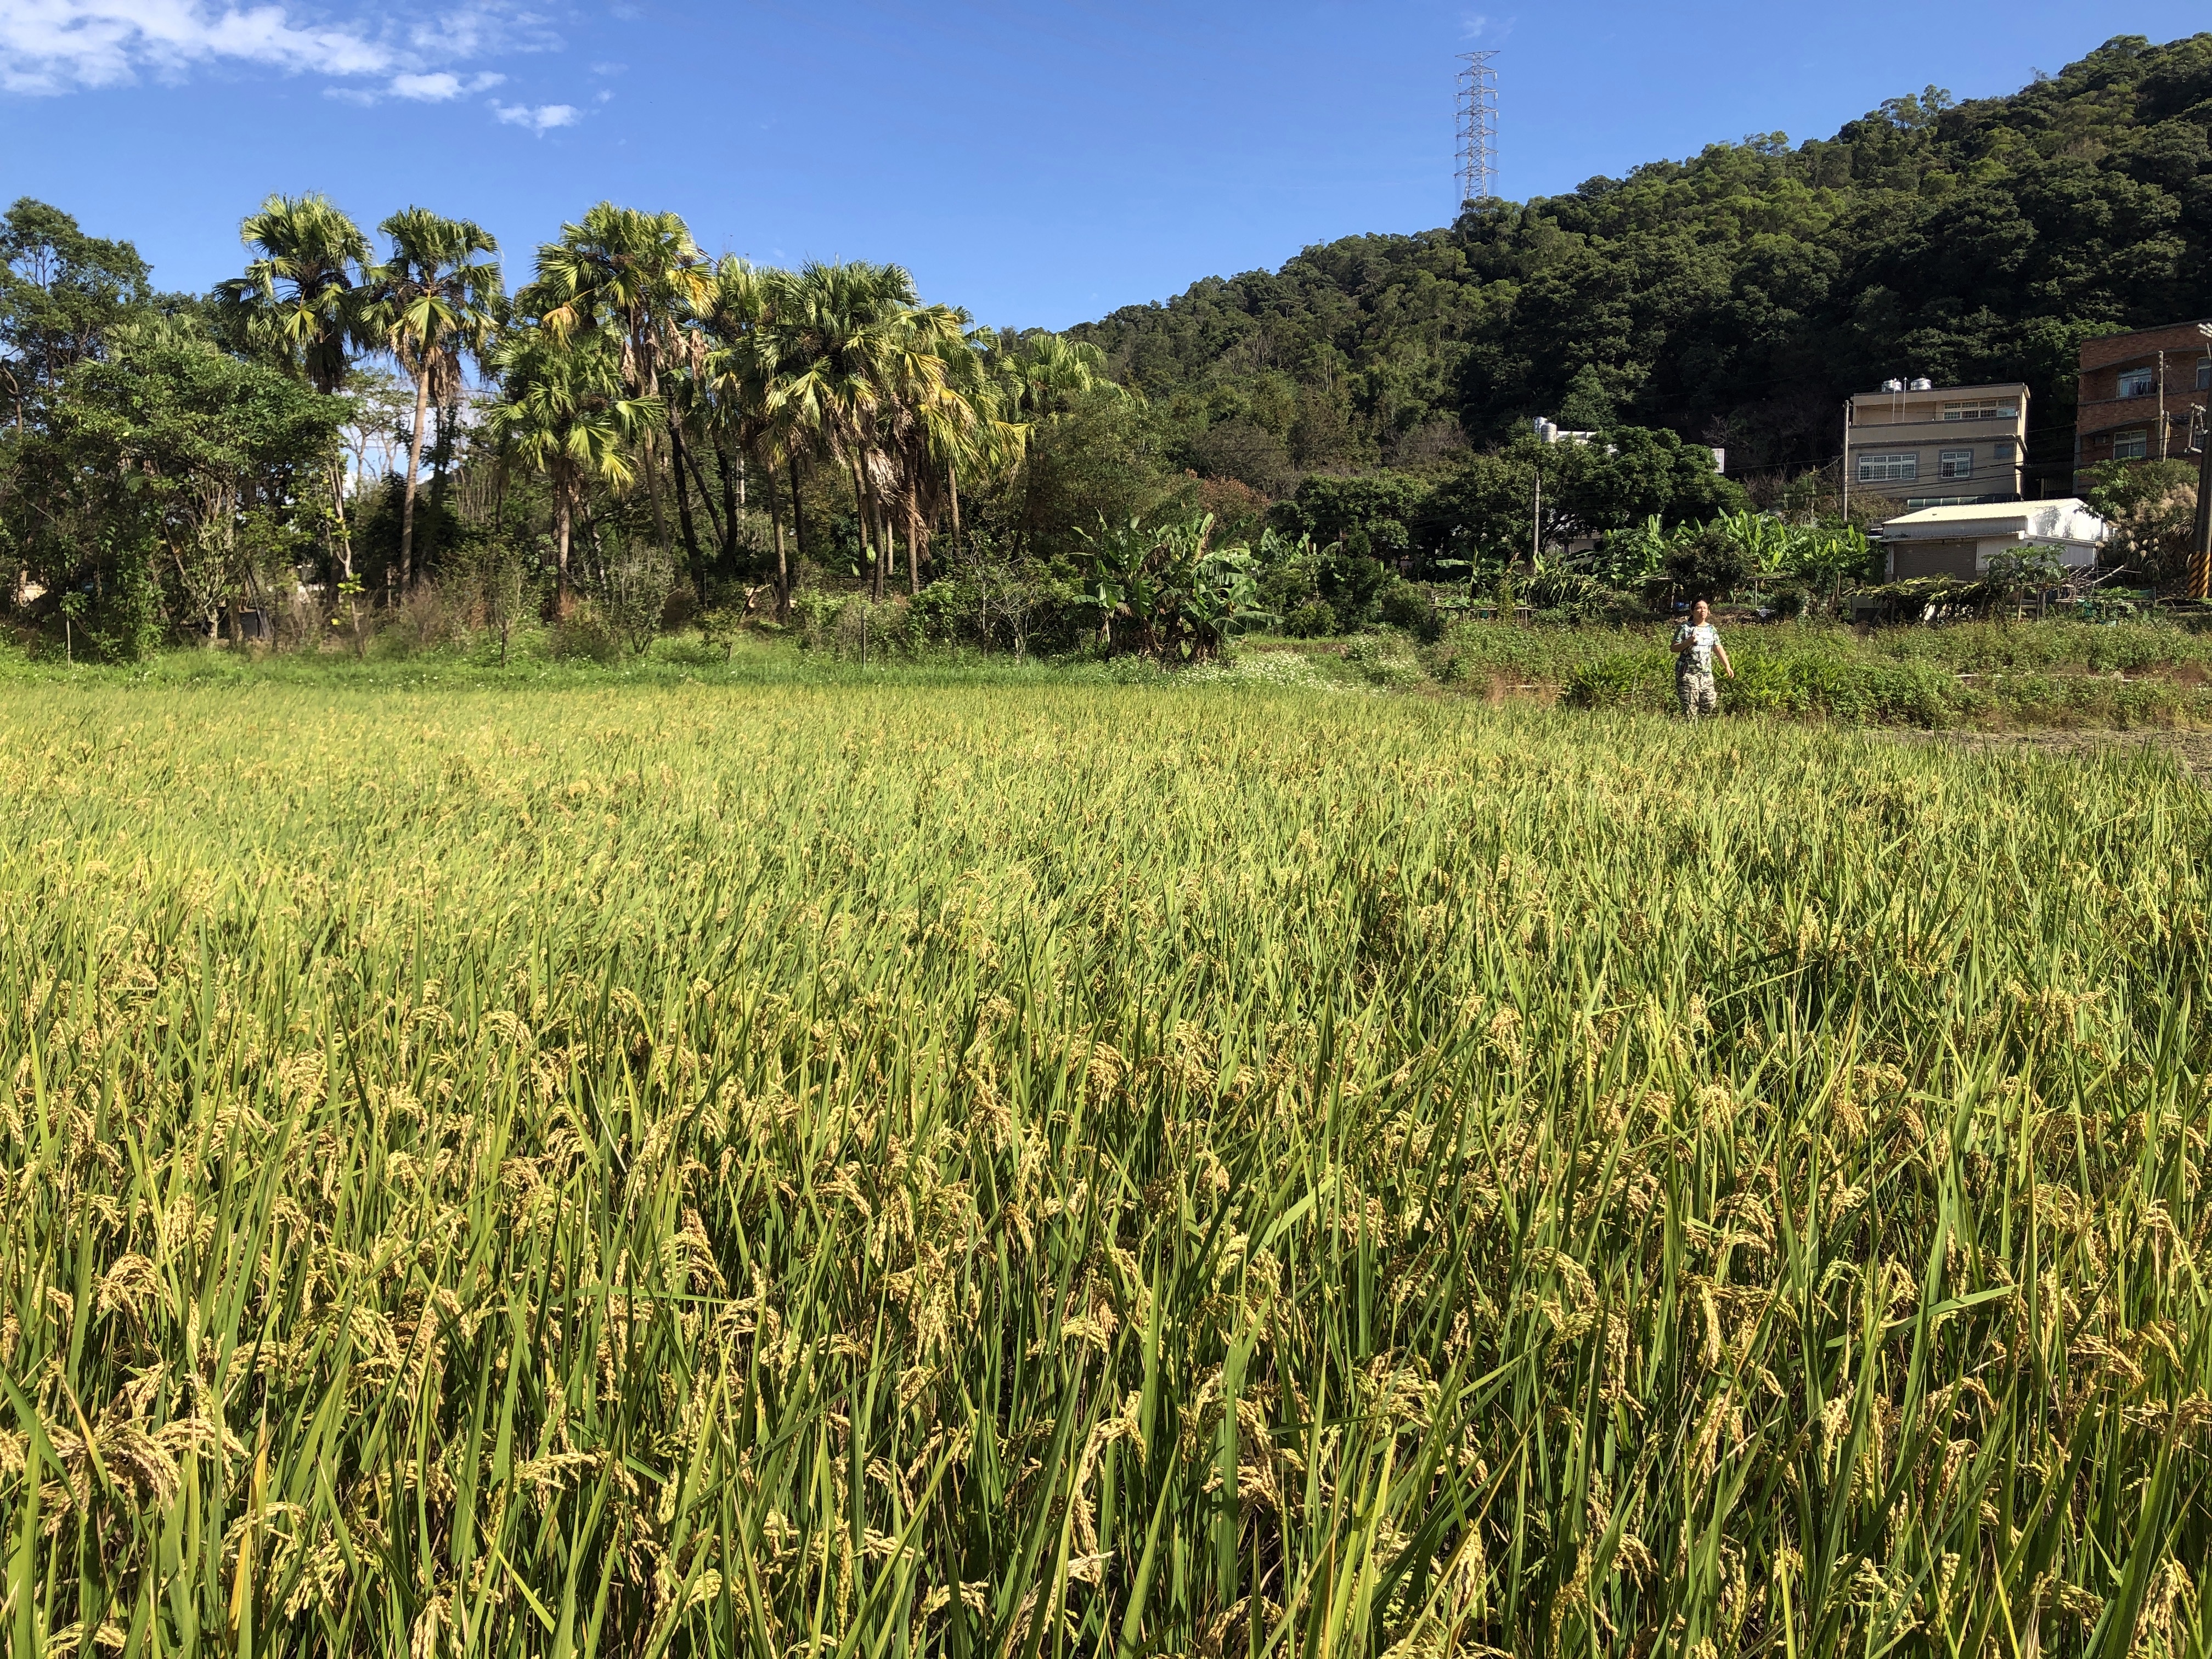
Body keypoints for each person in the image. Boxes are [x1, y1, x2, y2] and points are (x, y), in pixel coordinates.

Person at [1671, 599, 1734, 720]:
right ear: (1692, 611)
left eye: (1705, 608)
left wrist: (1727, 666)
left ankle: (1703, 730)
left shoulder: (1711, 629)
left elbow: (1718, 648)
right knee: (1690, 707)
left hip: (1706, 674)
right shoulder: (1685, 628)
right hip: (1688, 674)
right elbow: (1674, 648)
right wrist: (1688, 642)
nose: (1702, 611)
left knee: (1709, 703)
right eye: (1699, 608)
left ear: (1708, 612)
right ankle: (1689, 732)